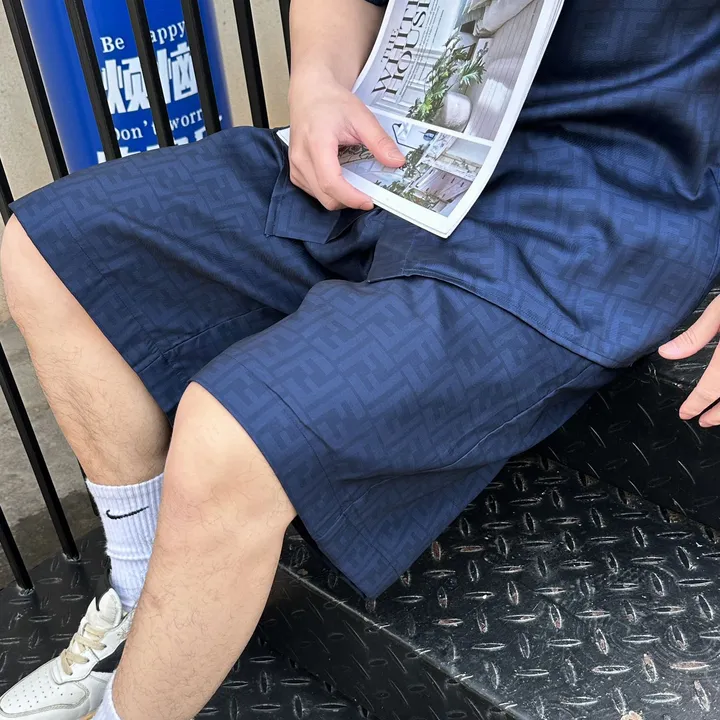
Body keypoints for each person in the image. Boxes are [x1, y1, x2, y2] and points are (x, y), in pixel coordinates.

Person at [0, 0, 719, 717]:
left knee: (230, 436)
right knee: (43, 251)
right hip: (392, 158)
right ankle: (135, 598)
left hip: (593, 209)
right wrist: (317, 83)